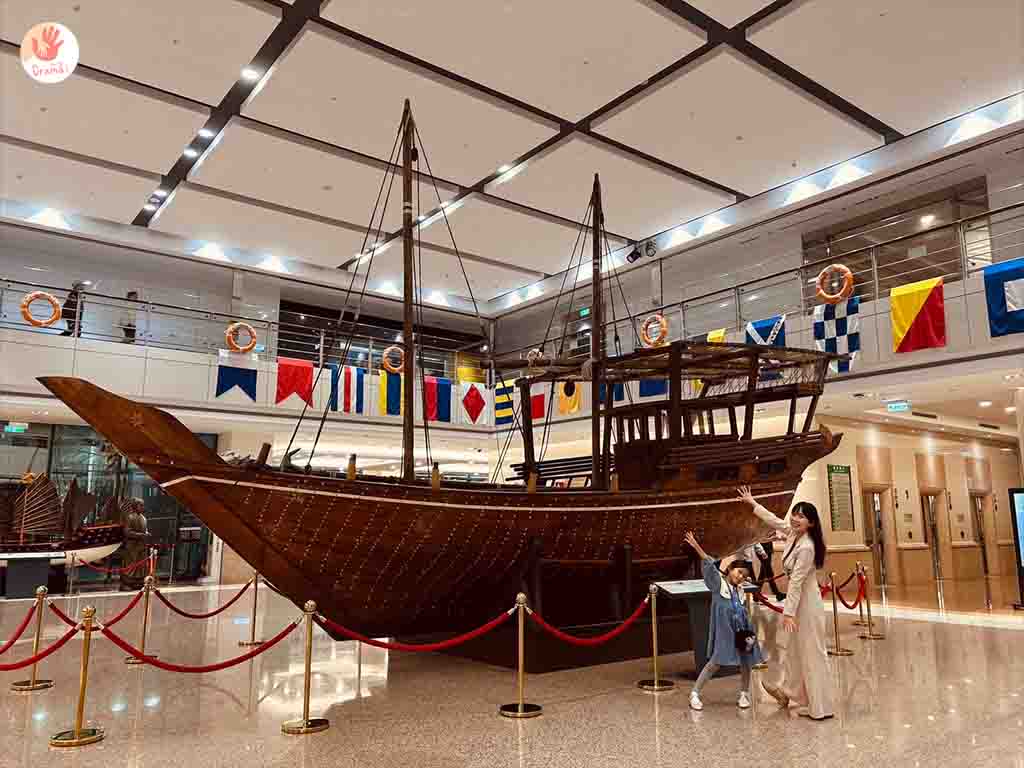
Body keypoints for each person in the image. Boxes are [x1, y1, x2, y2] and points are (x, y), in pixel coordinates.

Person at [737, 486, 834, 720]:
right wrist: (753, 503)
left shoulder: (807, 547)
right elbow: (774, 521)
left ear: (811, 523)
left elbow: (797, 583)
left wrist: (788, 613)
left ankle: (820, 708)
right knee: (797, 653)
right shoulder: (793, 535)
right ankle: (802, 698)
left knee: (812, 653)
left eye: (801, 516)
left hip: (807, 604)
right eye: (795, 514)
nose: (795, 519)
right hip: (799, 603)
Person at [684, 530, 764, 712]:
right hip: (725, 629)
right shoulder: (718, 584)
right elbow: (709, 564)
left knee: (746, 661)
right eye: (739, 572)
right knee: (715, 662)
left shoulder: (740, 590)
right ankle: (695, 693)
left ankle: (744, 693)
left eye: (744, 575)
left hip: (743, 629)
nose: (740, 577)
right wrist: (696, 546)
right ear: (730, 569)